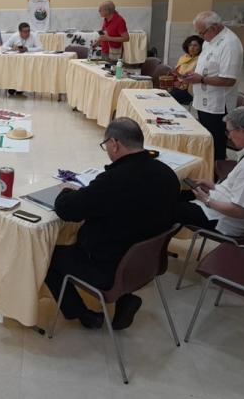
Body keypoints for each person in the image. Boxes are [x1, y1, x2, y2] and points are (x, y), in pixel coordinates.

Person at [44, 118, 180, 330]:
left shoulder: (113, 181)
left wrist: (66, 191)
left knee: (47, 256)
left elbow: (67, 210)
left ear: (114, 144)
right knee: (130, 231)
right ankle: (125, 300)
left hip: (107, 267)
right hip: (147, 263)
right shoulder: (167, 174)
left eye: (105, 145)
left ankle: (82, 314)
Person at [175, 107, 244, 238]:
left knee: (166, 206)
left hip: (224, 220)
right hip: (224, 204)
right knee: (173, 194)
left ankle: (156, 246)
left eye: (229, 131)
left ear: (242, 131)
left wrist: (206, 200)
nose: (228, 137)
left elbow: (240, 211)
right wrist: (214, 187)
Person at [181, 11, 243, 161]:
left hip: (217, 106)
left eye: (202, 33)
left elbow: (228, 80)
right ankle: (207, 167)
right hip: (204, 101)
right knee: (207, 141)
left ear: (214, 27)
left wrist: (202, 79)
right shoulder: (210, 39)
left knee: (216, 144)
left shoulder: (230, 44)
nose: (201, 37)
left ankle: (216, 170)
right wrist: (193, 75)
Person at [169, 35, 203, 105]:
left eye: (195, 45)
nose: (192, 48)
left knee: (169, 98)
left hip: (190, 90)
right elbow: (176, 73)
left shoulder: (201, 59)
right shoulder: (183, 57)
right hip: (178, 87)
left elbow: (193, 77)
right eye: (190, 45)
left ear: (200, 47)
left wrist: (180, 78)